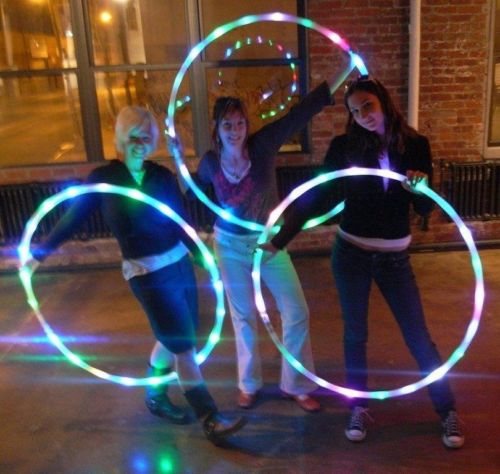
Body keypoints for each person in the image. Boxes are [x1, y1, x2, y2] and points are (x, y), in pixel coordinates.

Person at [24, 106, 246, 446]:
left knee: (174, 337)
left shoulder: (162, 177)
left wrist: (204, 258)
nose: (141, 144)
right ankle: (209, 417)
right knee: (184, 346)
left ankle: (155, 396)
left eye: (146, 137)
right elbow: (73, 218)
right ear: (121, 139)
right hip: (145, 273)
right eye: (134, 137)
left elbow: (181, 222)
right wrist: (38, 254)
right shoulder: (105, 179)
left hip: (179, 265)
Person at [264, 75, 465, 448]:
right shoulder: (345, 147)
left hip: (394, 258)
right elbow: (320, 197)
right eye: (354, 112)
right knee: (355, 334)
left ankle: (447, 409)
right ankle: (358, 405)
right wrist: (279, 239)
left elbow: (423, 209)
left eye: (367, 106)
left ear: (383, 101)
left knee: (418, 336)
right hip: (351, 253)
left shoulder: (416, 145)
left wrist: (420, 188)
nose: (362, 116)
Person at [171, 67, 351, 413]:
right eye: (228, 125)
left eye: (240, 124)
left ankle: (295, 384)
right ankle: (248, 384)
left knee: (296, 310)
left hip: (268, 243)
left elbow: (300, 113)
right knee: (243, 317)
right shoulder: (210, 162)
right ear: (217, 130)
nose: (235, 131)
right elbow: (189, 191)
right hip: (228, 245)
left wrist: (345, 69)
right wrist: (177, 155)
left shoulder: (264, 145)